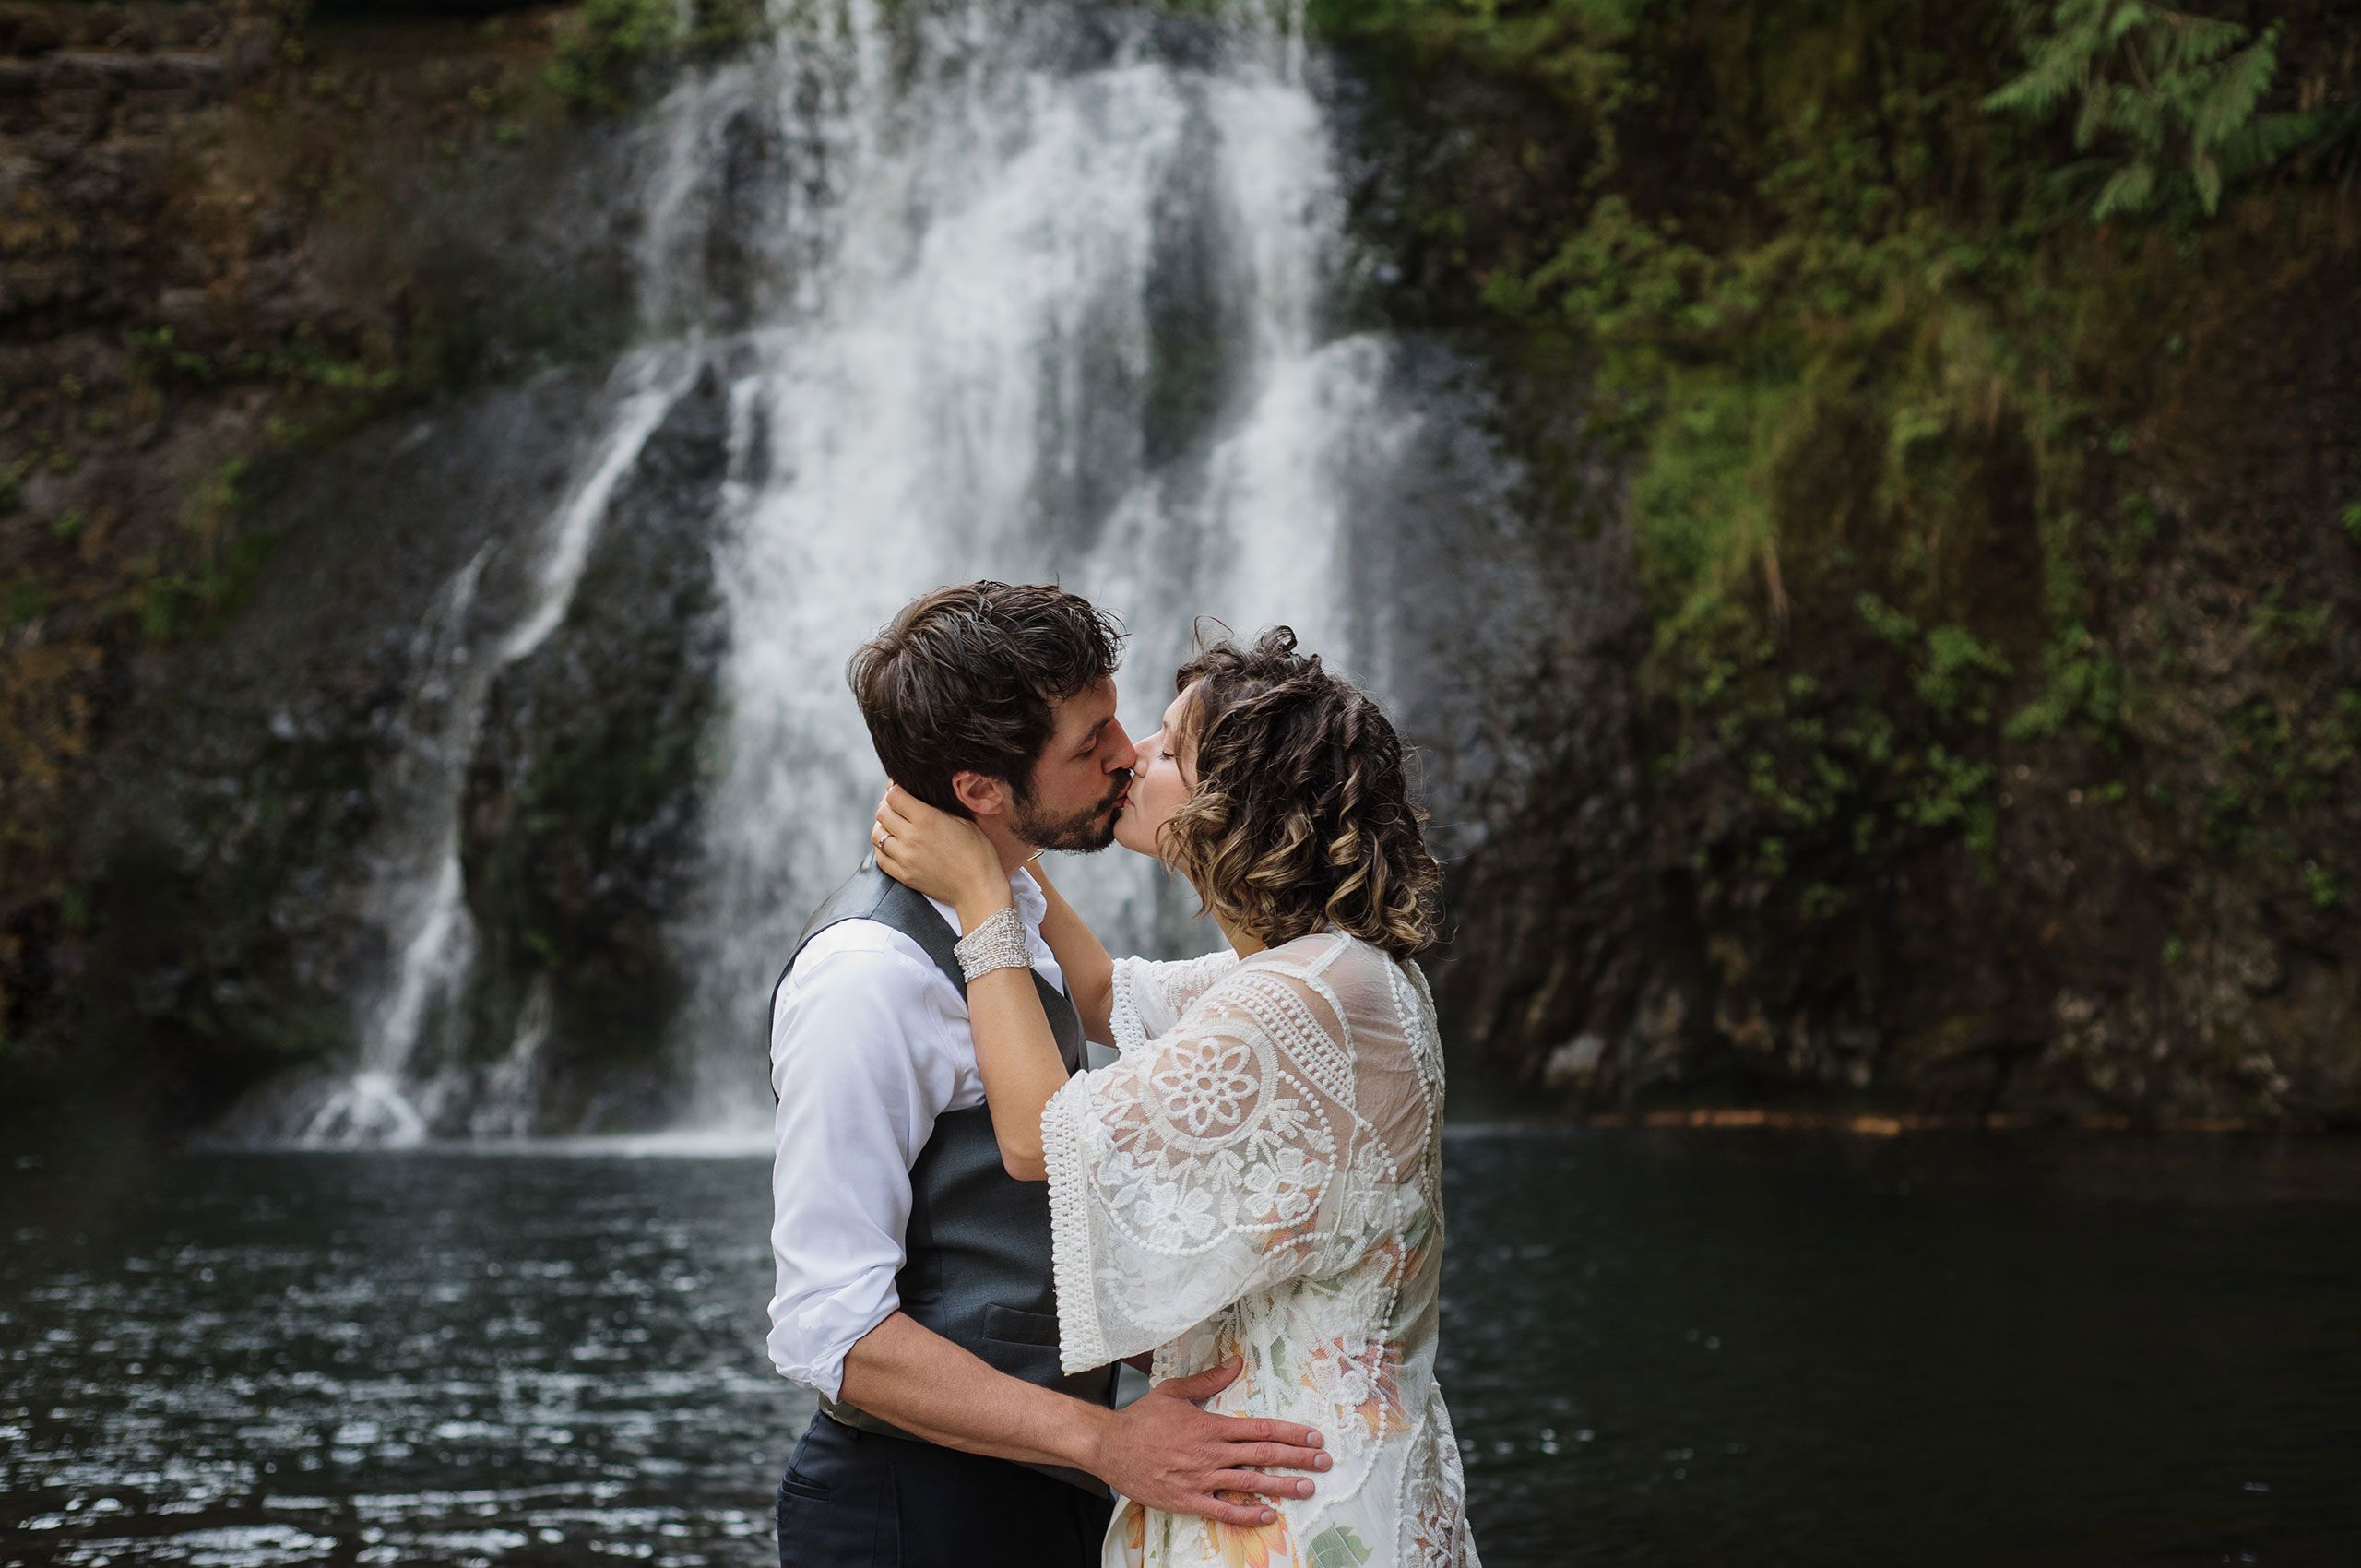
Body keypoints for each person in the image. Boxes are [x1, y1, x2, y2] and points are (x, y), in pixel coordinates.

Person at [872, 624, 1480, 1567]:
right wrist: (1005, 841)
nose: (1128, 757)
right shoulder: (1324, 975)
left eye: (1164, 746)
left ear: (1235, 803)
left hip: (1294, 1510)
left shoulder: (1310, 995)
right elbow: (1109, 995)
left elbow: (1040, 1139)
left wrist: (981, 909)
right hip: (1283, 1471)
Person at [766, 583, 1331, 1568]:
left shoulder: (1006, 919)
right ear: (981, 789)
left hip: (1049, 1490)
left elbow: (1111, 1013)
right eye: (1089, 741)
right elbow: (833, 1332)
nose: (1125, 753)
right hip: (911, 1514)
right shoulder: (866, 977)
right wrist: (1107, 1440)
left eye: (1117, 717)